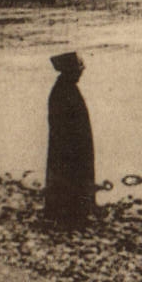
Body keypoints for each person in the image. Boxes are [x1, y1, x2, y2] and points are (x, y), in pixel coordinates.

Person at [44, 51, 96, 228]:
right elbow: (63, 123)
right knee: (72, 177)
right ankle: (72, 214)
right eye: (78, 69)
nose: (81, 72)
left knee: (71, 177)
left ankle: (73, 212)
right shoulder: (65, 90)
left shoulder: (64, 88)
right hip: (70, 147)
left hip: (70, 145)